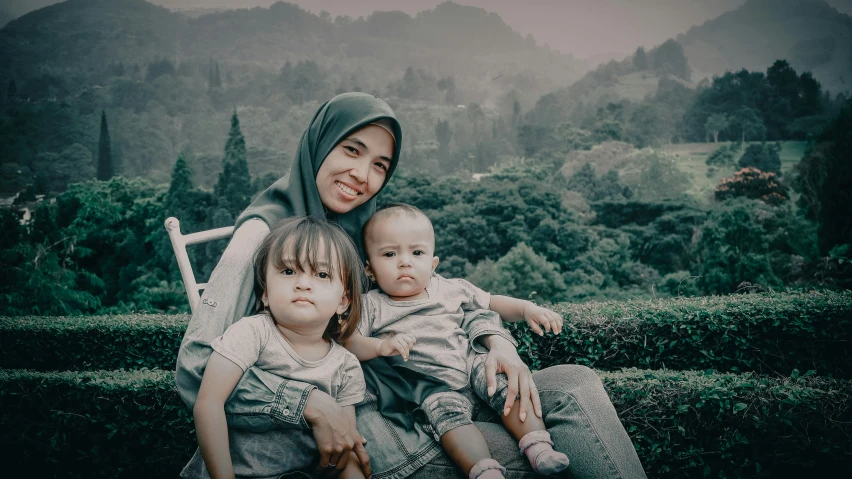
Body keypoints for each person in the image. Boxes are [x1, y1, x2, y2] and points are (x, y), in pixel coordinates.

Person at [175, 92, 648, 479]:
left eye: (380, 165)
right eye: (351, 150)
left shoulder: (363, 229)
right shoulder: (263, 235)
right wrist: (309, 402)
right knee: (530, 450)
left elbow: (439, 293)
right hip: (369, 420)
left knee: (574, 386)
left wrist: (495, 338)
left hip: (427, 383)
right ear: (319, 144)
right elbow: (197, 367)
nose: (362, 176)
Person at [345, 203, 570, 479]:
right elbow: (350, 342)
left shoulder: (450, 288)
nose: (405, 262)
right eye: (390, 254)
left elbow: (492, 302)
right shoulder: (371, 305)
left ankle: (539, 447)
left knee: (507, 385)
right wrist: (380, 346)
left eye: (417, 253)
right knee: (448, 419)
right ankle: (484, 469)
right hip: (431, 386)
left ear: (433, 263)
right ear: (369, 269)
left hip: (471, 368)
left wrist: (526, 309)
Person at [185, 217, 371, 479]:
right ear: (265, 294)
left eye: (321, 274)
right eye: (288, 271)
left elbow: (343, 446)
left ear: (343, 301)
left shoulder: (346, 366)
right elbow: (208, 403)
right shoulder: (252, 334)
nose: (303, 283)